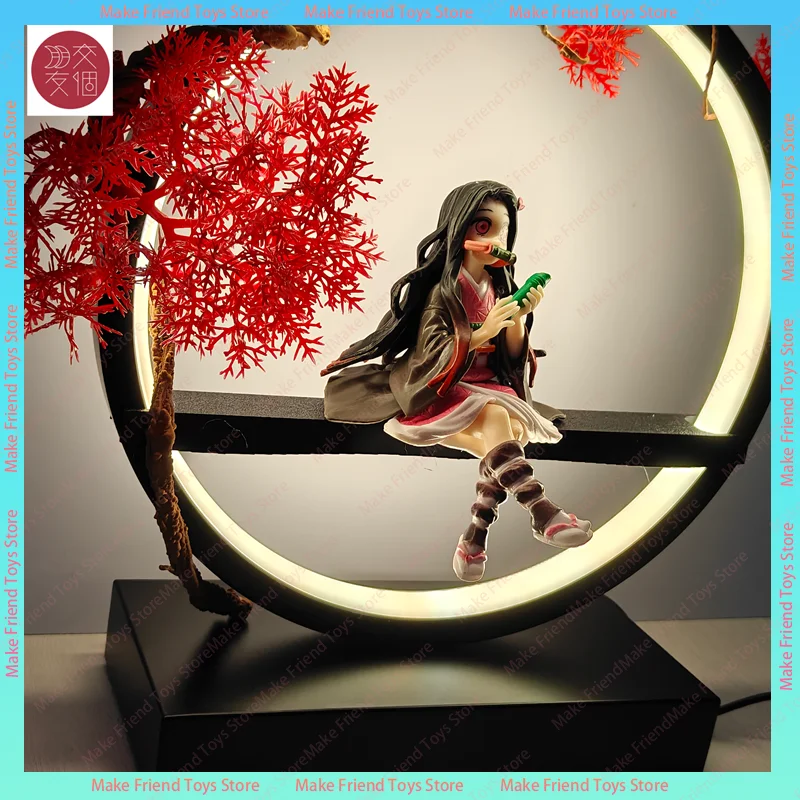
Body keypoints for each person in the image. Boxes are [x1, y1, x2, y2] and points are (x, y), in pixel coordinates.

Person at [321, 180, 592, 582]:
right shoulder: (443, 292)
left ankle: (475, 536)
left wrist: (517, 320)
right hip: (443, 389)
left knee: (512, 430)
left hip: (489, 387)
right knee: (500, 422)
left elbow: (510, 358)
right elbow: (432, 351)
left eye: (504, 230)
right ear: (459, 227)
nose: (496, 239)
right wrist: (482, 332)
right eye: (484, 226)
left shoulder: (497, 287)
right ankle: (541, 510)